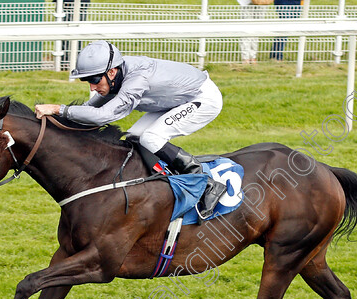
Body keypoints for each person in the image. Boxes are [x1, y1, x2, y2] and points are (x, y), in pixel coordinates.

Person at [34, 41, 227, 219]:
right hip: (174, 100)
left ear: (111, 72)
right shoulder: (116, 76)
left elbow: (103, 116)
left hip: (202, 99)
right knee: (135, 137)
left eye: (94, 79)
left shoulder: (136, 80)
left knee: (151, 138)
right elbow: (90, 109)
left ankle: (207, 183)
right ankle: (165, 180)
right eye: (87, 81)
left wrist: (58, 109)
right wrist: (58, 123)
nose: (92, 87)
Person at [237, 0, 267, 64]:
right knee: (246, 29)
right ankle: (245, 58)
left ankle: (253, 57)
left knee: (257, 28)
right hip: (246, 3)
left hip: (261, 3)